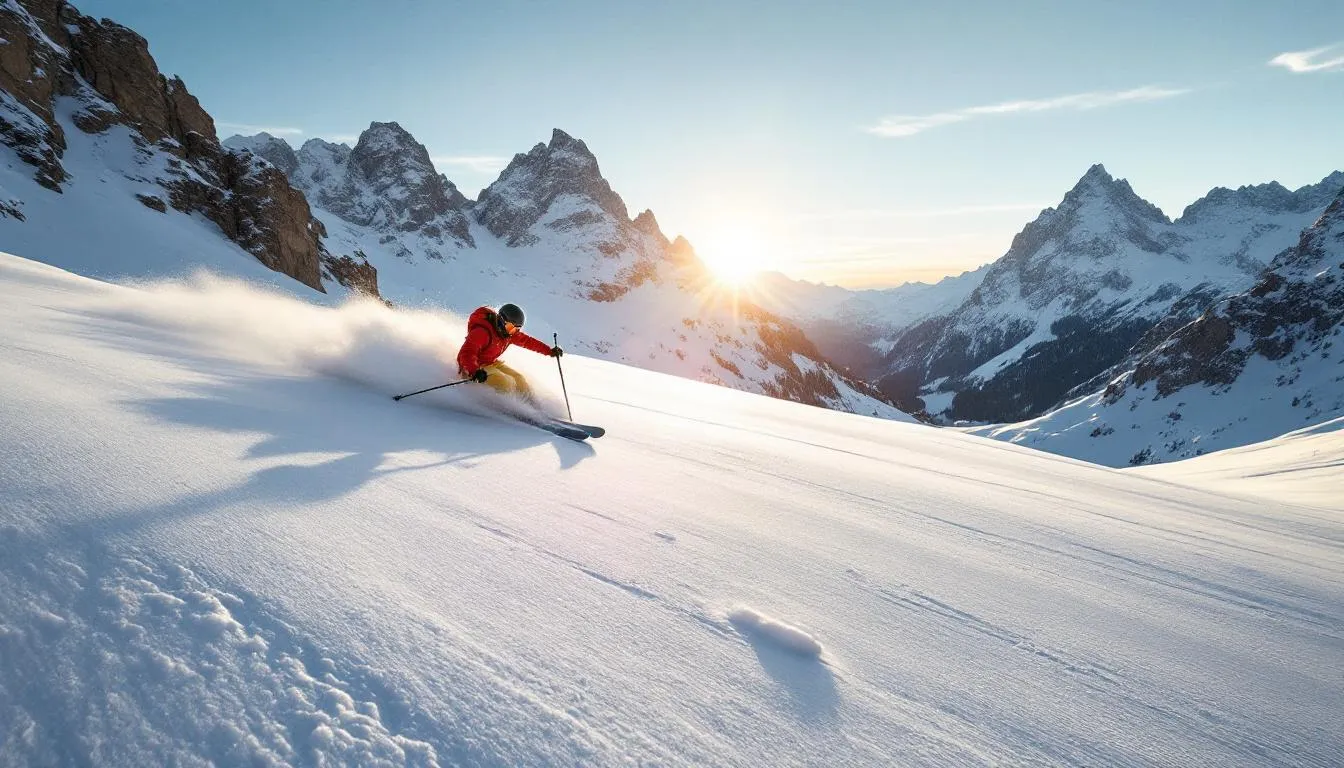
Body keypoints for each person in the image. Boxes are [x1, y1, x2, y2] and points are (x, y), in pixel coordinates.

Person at [456, 303, 562, 400]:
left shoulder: (508, 334)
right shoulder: (482, 332)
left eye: (516, 329)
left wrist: (549, 351)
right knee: (504, 382)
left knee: (519, 379)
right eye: (510, 327)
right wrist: (474, 371)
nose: (512, 332)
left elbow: (528, 342)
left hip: (491, 362)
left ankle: (530, 406)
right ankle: (504, 406)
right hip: (475, 367)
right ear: (501, 320)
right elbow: (466, 353)